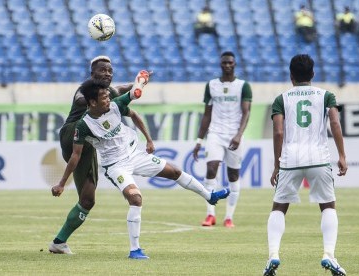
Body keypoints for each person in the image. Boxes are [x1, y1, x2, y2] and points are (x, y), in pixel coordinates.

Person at [51, 79, 230, 259]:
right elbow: (75, 156)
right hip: (116, 166)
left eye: (108, 96)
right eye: (104, 98)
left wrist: (141, 82)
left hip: (135, 155)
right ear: (92, 103)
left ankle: (210, 196)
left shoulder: (114, 106)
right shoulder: (84, 125)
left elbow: (134, 105)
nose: (108, 100)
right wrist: (61, 183)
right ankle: (135, 250)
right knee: (135, 198)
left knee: (175, 172)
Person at [263, 54, 348, 276]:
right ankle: (329, 254)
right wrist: (342, 155)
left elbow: (279, 131)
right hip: (318, 158)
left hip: (290, 159)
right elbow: (335, 124)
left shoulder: (281, 99)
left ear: (290, 76)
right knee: (328, 206)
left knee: (279, 208)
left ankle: (273, 255)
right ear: (313, 74)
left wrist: (276, 164)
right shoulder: (326, 95)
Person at [48, 55, 142, 255]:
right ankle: (59, 242)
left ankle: (59, 242)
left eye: (109, 70)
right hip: (74, 134)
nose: (107, 73)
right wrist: (62, 182)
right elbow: (85, 100)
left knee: (88, 199)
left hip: (91, 140)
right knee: (87, 197)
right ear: (92, 74)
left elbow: (122, 88)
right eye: (102, 70)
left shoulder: (105, 93)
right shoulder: (86, 92)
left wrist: (139, 81)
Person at [193, 51, 252, 228]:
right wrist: (198, 141)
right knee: (211, 169)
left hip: (234, 135)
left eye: (230, 63)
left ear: (235, 64)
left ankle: (229, 217)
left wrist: (239, 135)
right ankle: (210, 215)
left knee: (233, 175)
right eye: (224, 63)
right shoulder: (211, 85)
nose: (227, 65)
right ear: (221, 64)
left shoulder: (243, 86)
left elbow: (246, 112)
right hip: (215, 134)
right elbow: (207, 114)